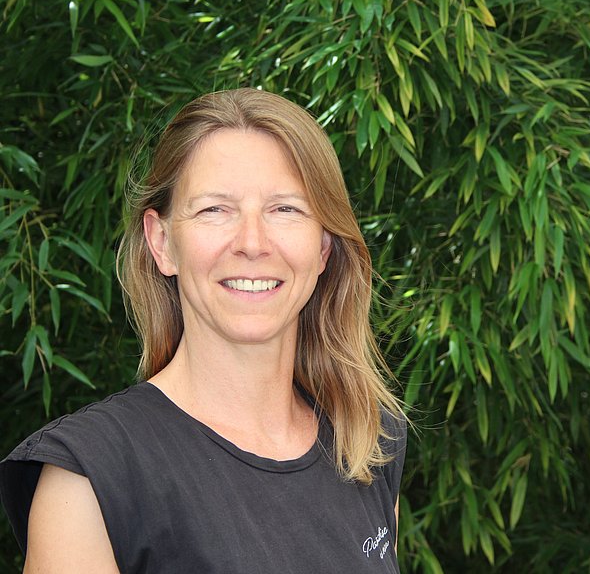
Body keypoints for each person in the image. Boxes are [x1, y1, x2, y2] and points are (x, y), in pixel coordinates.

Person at [0, 88, 408, 572]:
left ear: (323, 247)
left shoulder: (367, 441)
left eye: (285, 209)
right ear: (162, 242)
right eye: (215, 209)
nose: (252, 243)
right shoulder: (90, 479)